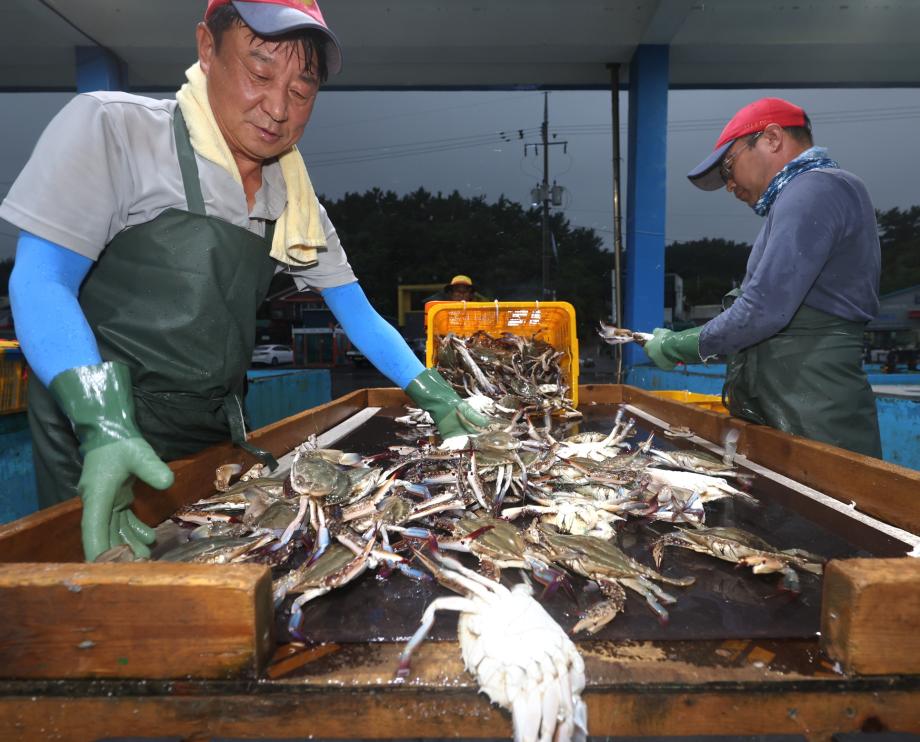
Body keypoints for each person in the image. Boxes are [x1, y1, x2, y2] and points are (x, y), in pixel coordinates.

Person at [1, 0, 489, 562]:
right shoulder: (116, 130)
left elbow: (359, 315)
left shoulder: (294, 205)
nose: (278, 107)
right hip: (97, 431)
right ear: (207, 48)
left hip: (206, 429)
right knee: (95, 606)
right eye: (260, 73)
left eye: (301, 92)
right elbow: (41, 280)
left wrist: (434, 394)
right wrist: (102, 421)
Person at [642, 97, 882, 458]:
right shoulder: (803, 195)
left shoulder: (815, 189)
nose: (729, 185)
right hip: (793, 407)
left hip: (814, 414)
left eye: (728, 166)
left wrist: (677, 345)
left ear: (771, 138)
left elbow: (762, 311)